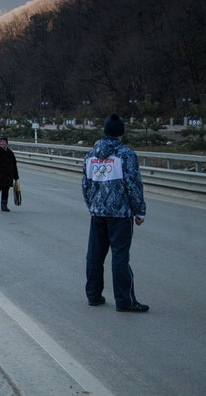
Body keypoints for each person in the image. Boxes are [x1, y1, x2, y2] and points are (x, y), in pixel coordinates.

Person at [82, 113, 148, 313]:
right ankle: (125, 301)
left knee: (95, 256)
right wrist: (140, 211)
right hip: (120, 214)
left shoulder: (91, 155)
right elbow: (133, 185)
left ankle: (93, 296)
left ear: (104, 131)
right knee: (120, 257)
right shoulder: (125, 154)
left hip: (98, 213)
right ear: (121, 133)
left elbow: (86, 185)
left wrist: (93, 206)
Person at [0, 136, 19, 212]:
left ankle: (4, 205)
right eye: (0, 142)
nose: (2, 143)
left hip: (8, 176)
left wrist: (16, 176)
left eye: (3, 142)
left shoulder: (10, 153)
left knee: (5, 191)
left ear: (7, 143)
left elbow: (14, 164)